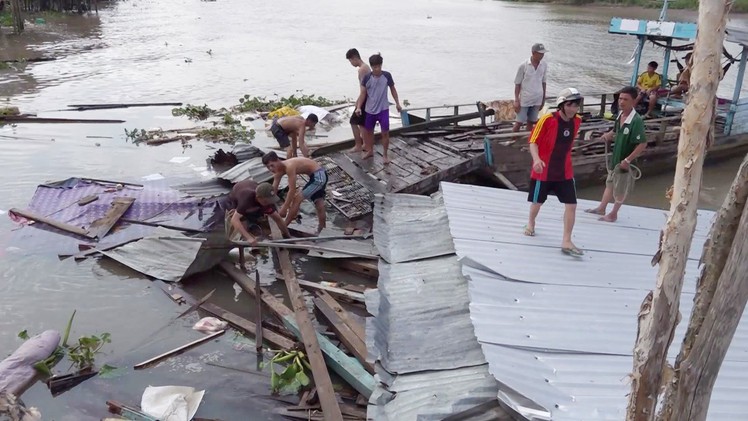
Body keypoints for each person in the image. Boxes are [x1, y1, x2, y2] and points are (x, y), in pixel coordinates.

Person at [525, 88, 585, 257]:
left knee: (572, 205)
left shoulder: (578, 121)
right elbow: (533, 141)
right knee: (537, 202)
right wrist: (536, 159)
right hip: (543, 169)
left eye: (575, 106)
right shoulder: (547, 119)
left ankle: (566, 240)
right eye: (569, 105)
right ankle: (531, 223)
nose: (573, 109)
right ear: (562, 105)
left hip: (564, 170)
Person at [585, 86, 648, 222]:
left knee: (620, 188)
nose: (621, 102)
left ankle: (613, 214)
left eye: (625, 99)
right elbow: (615, 130)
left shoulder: (636, 121)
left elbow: (642, 144)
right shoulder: (620, 115)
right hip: (616, 158)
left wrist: (628, 160)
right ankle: (601, 208)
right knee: (610, 183)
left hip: (625, 161)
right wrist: (608, 135)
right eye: (620, 98)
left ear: (633, 101)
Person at [262, 151, 328, 234]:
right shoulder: (278, 172)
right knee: (319, 203)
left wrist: (284, 208)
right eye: (268, 167)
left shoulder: (289, 166)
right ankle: (322, 228)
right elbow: (273, 191)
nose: (271, 169)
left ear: (278, 160)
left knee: (297, 199)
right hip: (315, 176)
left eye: (272, 165)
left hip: (319, 177)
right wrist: (267, 207)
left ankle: (284, 226)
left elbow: (292, 189)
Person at [354, 53, 403, 164]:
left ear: (381, 65)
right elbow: (362, 94)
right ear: (371, 67)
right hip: (369, 110)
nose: (377, 69)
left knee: (385, 133)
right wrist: (358, 107)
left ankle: (385, 155)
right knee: (368, 132)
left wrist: (397, 103)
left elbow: (393, 89)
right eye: (375, 67)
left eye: (379, 66)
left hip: (383, 109)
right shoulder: (367, 78)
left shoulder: (387, 76)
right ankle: (370, 151)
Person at [225, 180, 291, 246]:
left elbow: (278, 219)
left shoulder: (266, 201)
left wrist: (287, 235)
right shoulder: (246, 200)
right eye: (266, 201)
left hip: (251, 187)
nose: (268, 203)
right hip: (236, 197)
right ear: (258, 197)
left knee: (269, 214)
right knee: (243, 225)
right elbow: (234, 220)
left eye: (269, 201)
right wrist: (249, 238)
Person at [513, 43, 548, 133]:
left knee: (531, 121)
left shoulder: (543, 65)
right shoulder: (523, 66)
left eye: (543, 53)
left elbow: (543, 82)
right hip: (525, 98)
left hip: (537, 98)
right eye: (540, 53)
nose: (542, 55)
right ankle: (513, 139)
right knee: (519, 122)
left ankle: (528, 140)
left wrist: (543, 98)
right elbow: (517, 84)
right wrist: (516, 100)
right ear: (533, 53)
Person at [346, 48, 371, 153]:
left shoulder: (362, 70)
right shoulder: (367, 67)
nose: (351, 63)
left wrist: (359, 105)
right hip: (369, 98)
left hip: (365, 98)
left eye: (350, 61)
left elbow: (363, 90)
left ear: (354, 58)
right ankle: (365, 144)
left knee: (353, 121)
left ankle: (358, 145)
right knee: (362, 123)